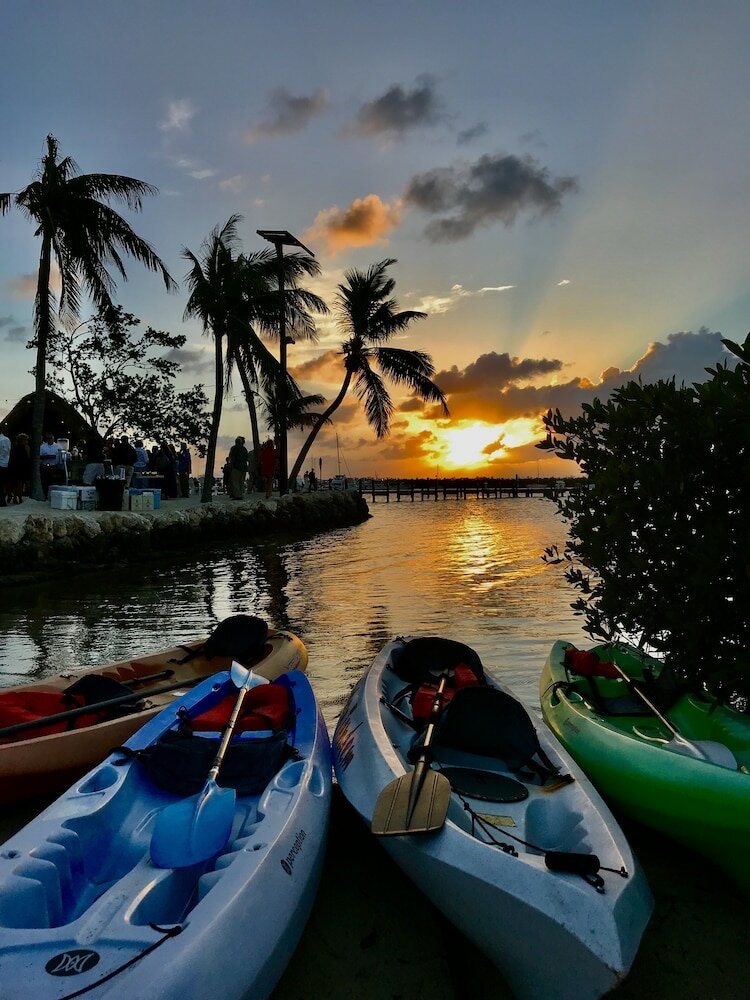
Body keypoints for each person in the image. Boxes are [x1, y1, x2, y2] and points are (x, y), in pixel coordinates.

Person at [8, 433, 31, 503]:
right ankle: (20, 497)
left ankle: (15, 497)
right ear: (23, 440)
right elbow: (28, 457)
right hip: (22, 466)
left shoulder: (14, 447)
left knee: (16, 483)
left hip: (15, 466)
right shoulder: (25, 448)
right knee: (21, 483)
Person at [39, 432, 63, 498]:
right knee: (45, 482)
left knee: (53, 482)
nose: (49, 439)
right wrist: (47, 457)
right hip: (45, 466)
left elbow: (60, 456)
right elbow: (39, 456)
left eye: (51, 438)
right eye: (48, 438)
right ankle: (45, 495)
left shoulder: (58, 446)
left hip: (54, 466)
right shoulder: (42, 446)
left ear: (53, 438)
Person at [0, 426, 10, 506]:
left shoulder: (1, 440)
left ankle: (2, 501)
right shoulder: (7, 439)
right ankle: (2, 501)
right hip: (5, 463)